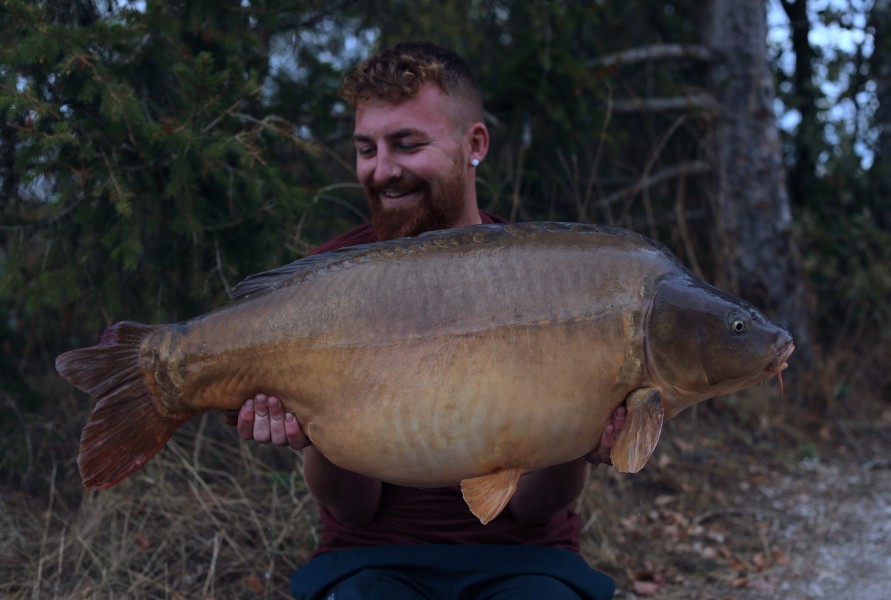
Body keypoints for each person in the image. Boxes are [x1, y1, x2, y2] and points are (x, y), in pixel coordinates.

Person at [234, 41, 626, 600]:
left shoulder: (542, 277)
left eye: (407, 144)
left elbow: (534, 508)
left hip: (525, 560)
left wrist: (584, 436)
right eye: (366, 149)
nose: (383, 171)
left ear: (475, 144)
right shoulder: (323, 284)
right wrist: (308, 432)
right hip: (370, 561)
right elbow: (353, 509)